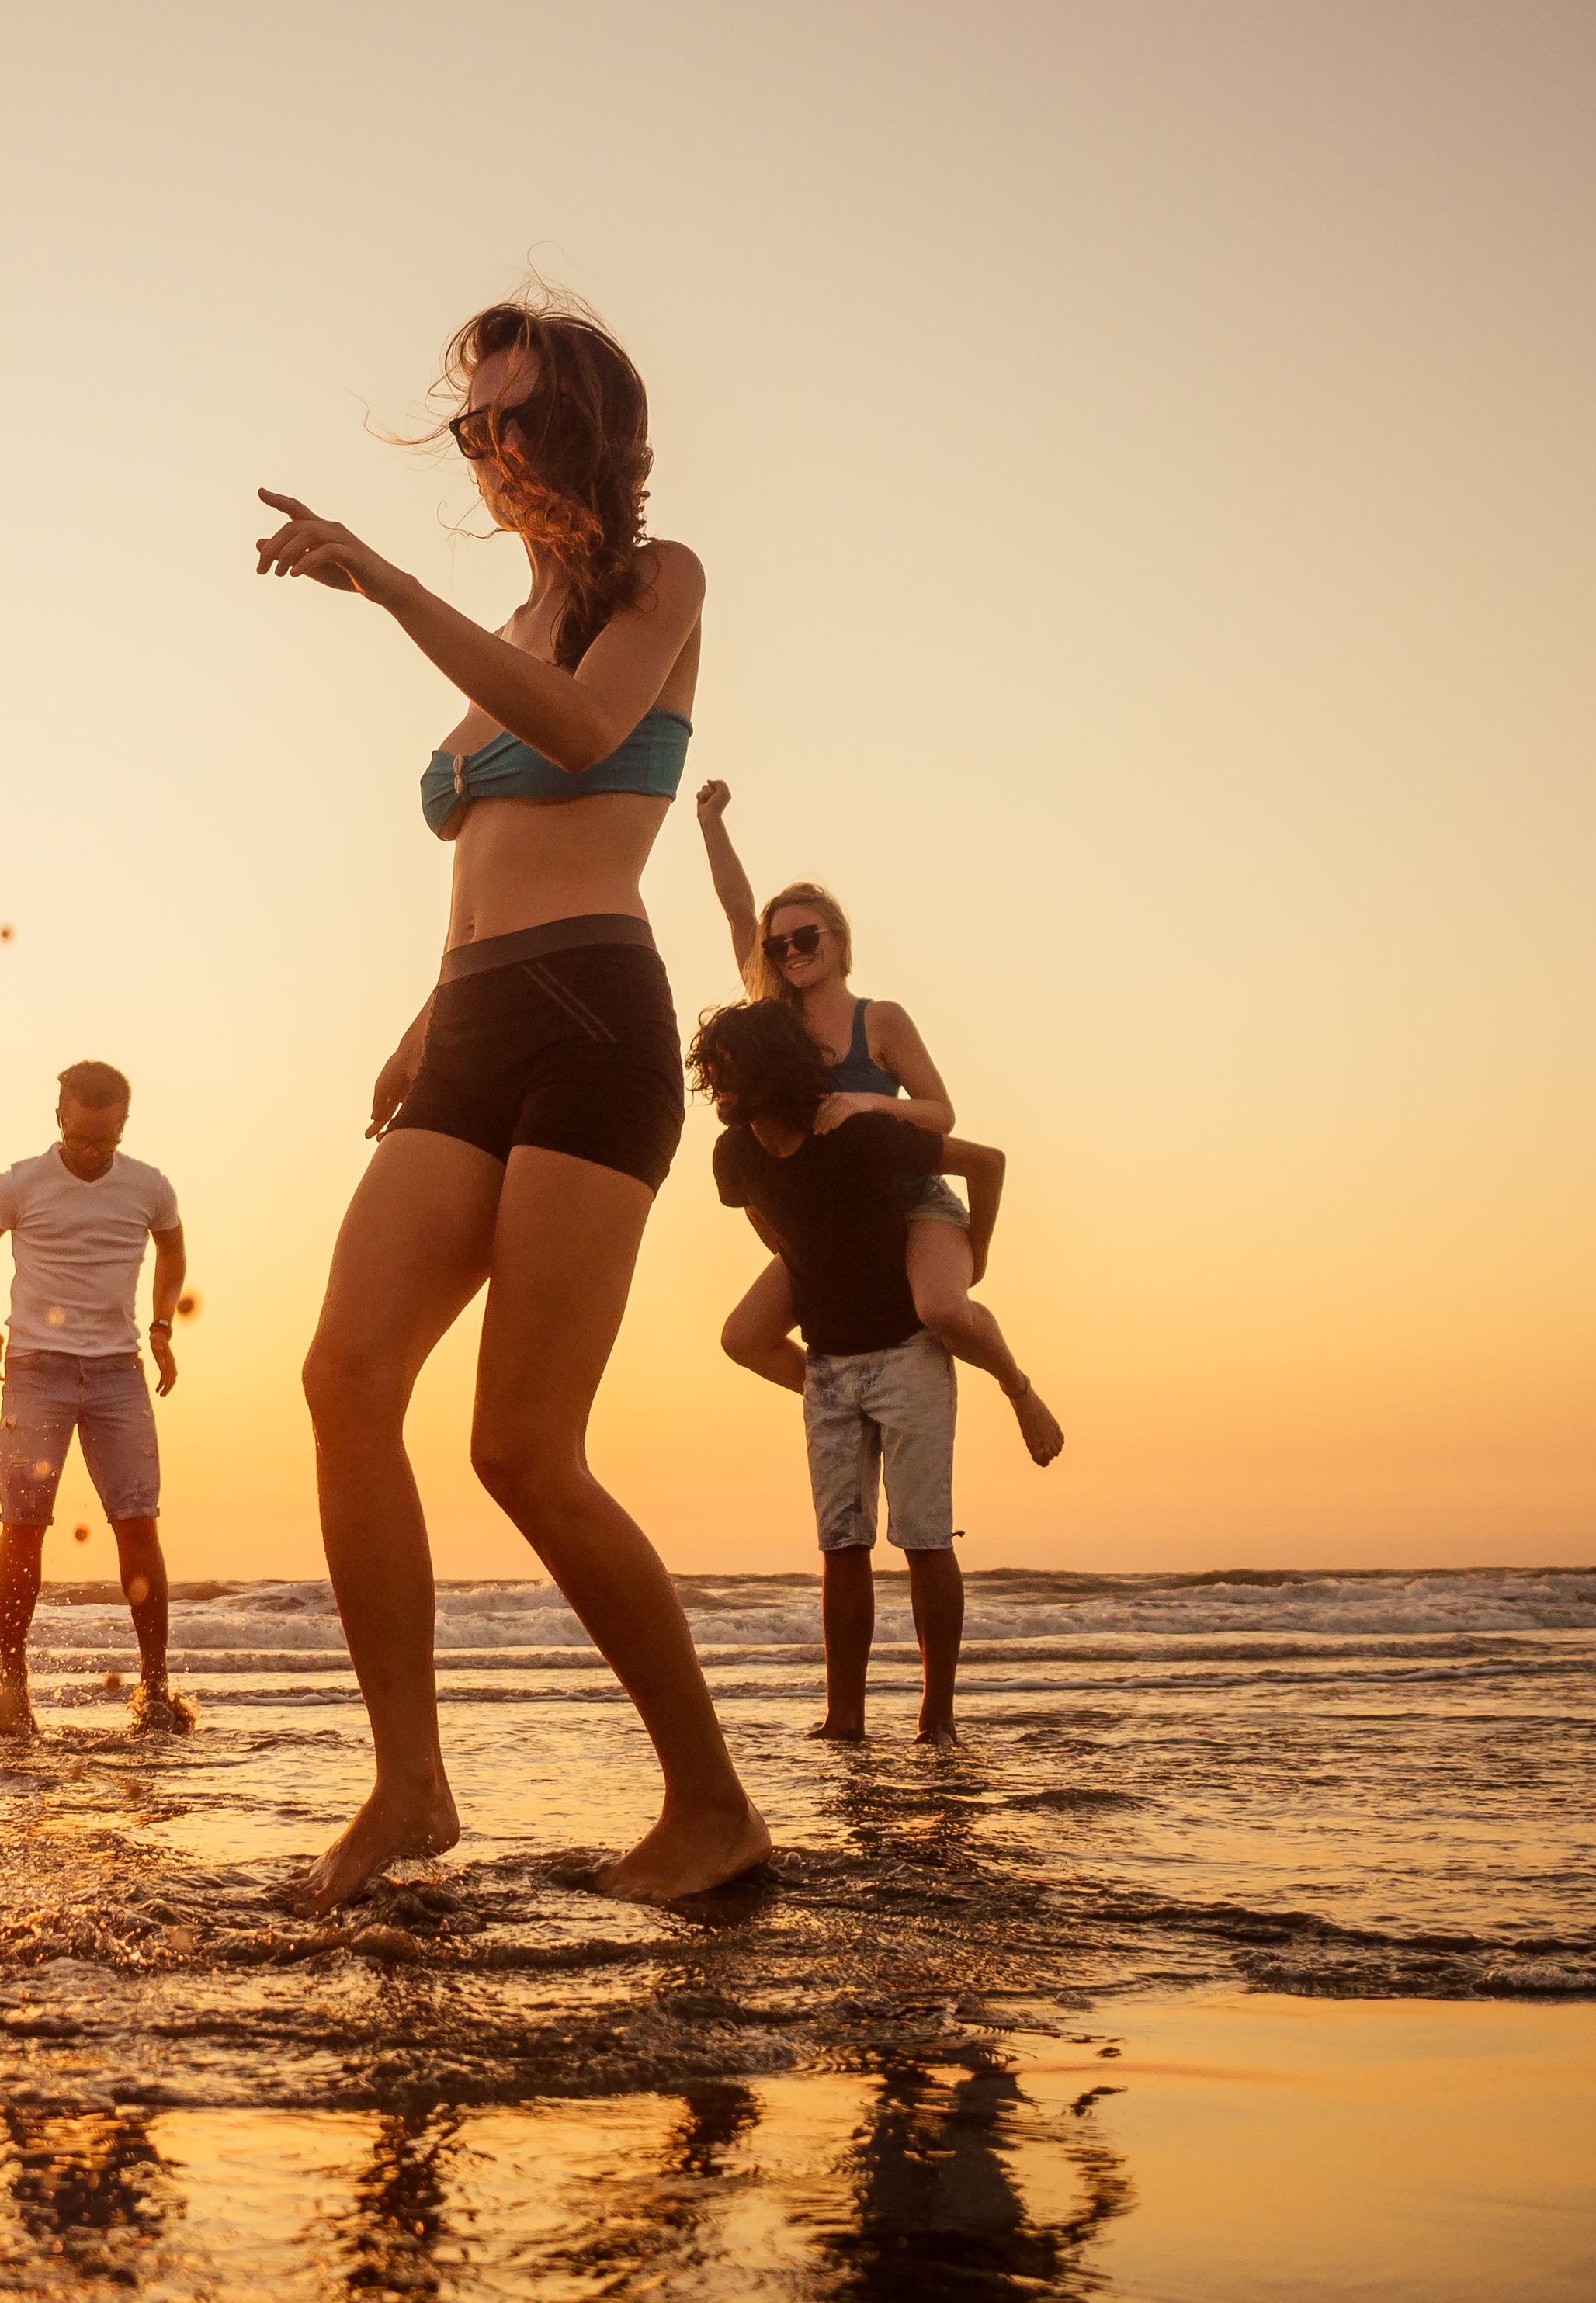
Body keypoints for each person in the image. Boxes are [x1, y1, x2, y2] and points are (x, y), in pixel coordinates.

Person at [251, 287, 772, 1906]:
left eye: (518, 416)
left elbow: (582, 728)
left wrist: (383, 580)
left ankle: (711, 1805)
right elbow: (484, 848)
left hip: (594, 1020)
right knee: (344, 1378)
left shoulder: (655, 587)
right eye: (474, 422)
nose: (491, 446)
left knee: (525, 1451)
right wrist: (424, 1013)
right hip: (470, 1027)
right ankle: (408, 1786)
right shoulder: (509, 617)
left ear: (593, 432)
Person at [688, 1000, 1041, 1741]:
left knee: (923, 1538)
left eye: (730, 1069)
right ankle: (843, 1721)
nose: (718, 1084)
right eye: (710, 1071)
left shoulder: (856, 1131)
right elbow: (762, 1216)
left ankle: (936, 1720)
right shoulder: (735, 1158)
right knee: (841, 1546)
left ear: (774, 1067)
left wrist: (977, 1255)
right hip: (830, 1365)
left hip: (909, 1350)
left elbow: (985, 1163)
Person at [692, 785, 1063, 1465]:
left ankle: (1018, 1387)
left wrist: (871, 1104)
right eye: (780, 946)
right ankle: (838, 1400)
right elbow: (738, 910)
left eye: (807, 936)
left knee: (943, 1312)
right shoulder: (776, 1025)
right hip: (831, 1223)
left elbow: (942, 1113)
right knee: (743, 1336)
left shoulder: (879, 1019)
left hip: (911, 1197)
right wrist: (710, 823)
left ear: (839, 940)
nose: (792, 951)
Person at [0, 1060, 191, 1736]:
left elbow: (173, 1251)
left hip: (118, 1370)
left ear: (123, 1125)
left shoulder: (149, 1187)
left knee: (137, 1521)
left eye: (105, 1142)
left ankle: (155, 1689)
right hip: (38, 1370)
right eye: (81, 1139)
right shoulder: (21, 1184)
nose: (91, 1154)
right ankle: (14, 1690)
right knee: (23, 1523)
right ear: (59, 1116)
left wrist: (164, 1323)